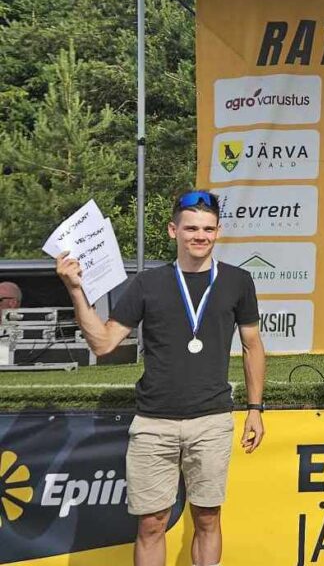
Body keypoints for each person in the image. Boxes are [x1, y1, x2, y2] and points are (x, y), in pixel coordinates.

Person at [56, 190, 266, 566]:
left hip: (212, 419)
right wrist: (76, 290)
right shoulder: (147, 284)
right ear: (173, 230)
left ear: (218, 232)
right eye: (191, 228)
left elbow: (253, 346)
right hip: (154, 422)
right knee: (151, 524)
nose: (200, 236)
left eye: (208, 229)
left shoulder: (238, 281)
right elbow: (103, 343)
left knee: (208, 518)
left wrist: (255, 409)